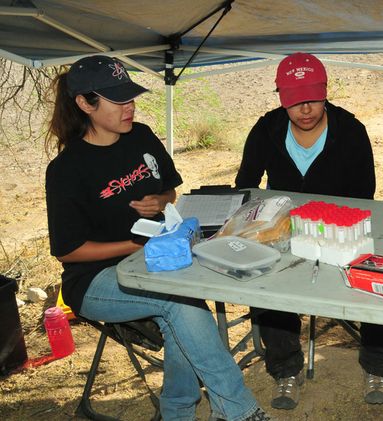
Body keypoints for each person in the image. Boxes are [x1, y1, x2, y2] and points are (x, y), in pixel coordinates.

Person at [44, 56, 272, 421]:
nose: (130, 106)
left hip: (158, 258)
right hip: (97, 279)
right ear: (85, 103)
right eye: (118, 101)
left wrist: (161, 201)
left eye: (130, 97)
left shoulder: (141, 136)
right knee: (179, 304)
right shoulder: (66, 170)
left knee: (185, 307)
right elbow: (70, 251)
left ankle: (178, 413)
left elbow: (170, 193)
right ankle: (238, 411)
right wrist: (134, 247)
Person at [235, 53, 383, 408]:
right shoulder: (267, 129)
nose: (304, 109)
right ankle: (286, 370)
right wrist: (269, 226)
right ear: (281, 98)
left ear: (325, 92)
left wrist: (336, 231)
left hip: (342, 228)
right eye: (294, 101)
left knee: (375, 278)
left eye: (312, 98)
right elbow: (246, 187)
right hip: (285, 231)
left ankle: (378, 366)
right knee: (267, 284)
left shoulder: (351, 130)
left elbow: (365, 195)